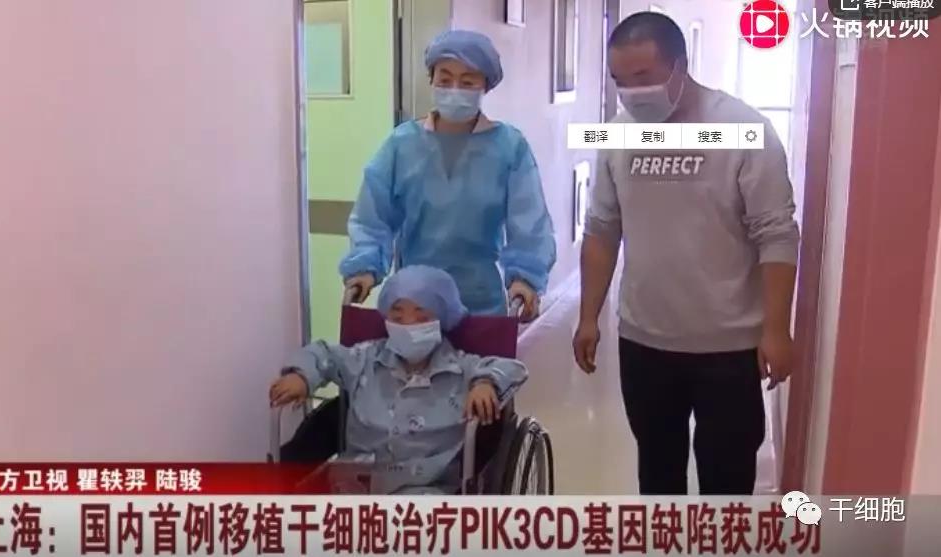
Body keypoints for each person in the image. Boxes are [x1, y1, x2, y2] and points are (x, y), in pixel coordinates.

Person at [572, 12, 800, 495]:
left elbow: (777, 234)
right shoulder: (619, 135)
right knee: (658, 475)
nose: (632, 93)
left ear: (680, 66)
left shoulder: (744, 129)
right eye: (619, 81)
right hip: (644, 341)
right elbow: (602, 229)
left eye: (643, 77)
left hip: (728, 347)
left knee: (726, 480)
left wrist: (776, 329)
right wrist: (588, 316)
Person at [338, 29, 555, 322]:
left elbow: (530, 222)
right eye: (445, 79)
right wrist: (365, 265)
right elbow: (372, 215)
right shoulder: (402, 145)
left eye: (467, 82)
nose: (454, 89)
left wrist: (525, 278)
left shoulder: (509, 148)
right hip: (414, 303)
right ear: (431, 80)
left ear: (485, 85)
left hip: (479, 303)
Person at [269, 265, 528, 494]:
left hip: (424, 488)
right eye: (397, 316)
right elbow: (324, 353)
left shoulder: (462, 369)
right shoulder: (365, 358)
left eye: (422, 317)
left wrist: (485, 383)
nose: (408, 324)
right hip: (354, 484)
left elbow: (512, 369)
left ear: (442, 318)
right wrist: (301, 375)